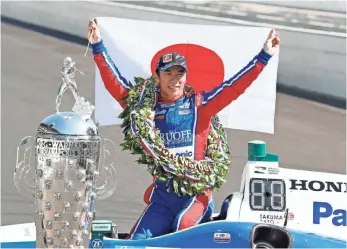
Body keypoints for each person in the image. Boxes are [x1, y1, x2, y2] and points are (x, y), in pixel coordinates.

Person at [87, 19, 280, 240]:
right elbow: (116, 85)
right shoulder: (146, 107)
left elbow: (234, 86)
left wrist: (263, 57)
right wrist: (98, 47)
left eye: (180, 74)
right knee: (136, 242)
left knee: (183, 227)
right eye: (168, 73)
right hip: (163, 197)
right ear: (157, 77)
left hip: (196, 196)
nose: (175, 80)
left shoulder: (200, 105)